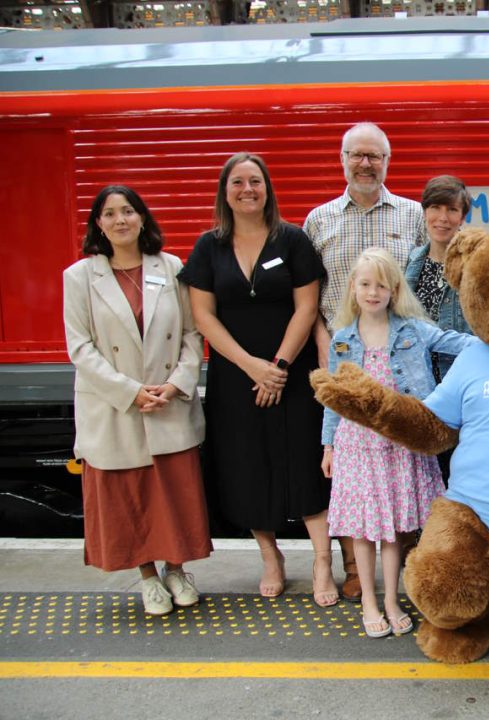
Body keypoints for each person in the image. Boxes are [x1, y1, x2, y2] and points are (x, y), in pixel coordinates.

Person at [179, 152, 338, 607]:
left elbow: (307, 307)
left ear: (267, 189)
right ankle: (271, 558)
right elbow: (203, 317)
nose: (247, 190)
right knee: (246, 465)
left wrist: (280, 368)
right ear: (224, 192)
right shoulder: (209, 246)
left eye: (255, 182)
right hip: (236, 376)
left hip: (293, 371)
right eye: (237, 183)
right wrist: (252, 367)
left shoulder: (292, 240)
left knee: (308, 464)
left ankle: (322, 562)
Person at [63, 185, 212, 616]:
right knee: (130, 494)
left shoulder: (170, 267)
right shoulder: (79, 278)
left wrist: (177, 383)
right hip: (115, 404)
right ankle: (148, 578)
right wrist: (130, 392)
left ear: (142, 218)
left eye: (128, 211)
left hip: (167, 400)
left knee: (172, 490)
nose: (120, 220)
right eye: (109, 214)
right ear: (98, 225)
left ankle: (177, 570)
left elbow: (190, 333)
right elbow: (80, 347)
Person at [319, 248, 475, 637]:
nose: (373, 292)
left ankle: (390, 599)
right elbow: (334, 398)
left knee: (393, 530)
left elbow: (457, 342)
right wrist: (328, 445)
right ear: (353, 287)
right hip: (357, 447)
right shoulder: (341, 340)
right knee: (364, 530)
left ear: (394, 289)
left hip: (398, 444)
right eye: (365, 283)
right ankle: (370, 603)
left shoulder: (413, 330)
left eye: (381, 285)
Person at [303, 121, 425, 601]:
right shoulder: (320, 220)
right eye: (357, 154)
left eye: (374, 156)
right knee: (353, 469)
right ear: (343, 159)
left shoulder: (412, 215)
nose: (365, 163)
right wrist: (326, 363)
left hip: (397, 359)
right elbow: (311, 299)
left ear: (387, 162)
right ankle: (356, 568)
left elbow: (420, 291)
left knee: (402, 465)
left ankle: (408, 567)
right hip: (344, 358)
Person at [405, 175, 473, 383]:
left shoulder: (475, 264)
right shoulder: (412, 260)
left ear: (462, 217)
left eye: (452, 209)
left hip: (460, 376)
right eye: (435, 207)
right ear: (425, 211)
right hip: (418, 378)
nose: (443, 218)